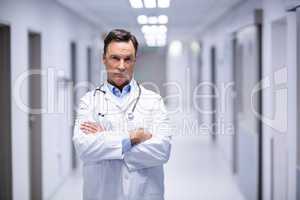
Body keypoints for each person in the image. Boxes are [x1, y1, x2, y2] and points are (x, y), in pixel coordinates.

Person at [73, 29, 172, 200]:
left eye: (128, 59)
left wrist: (105, 142)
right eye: (115, 58)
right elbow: (84, 148)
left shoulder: (154, 100)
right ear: (104, 59)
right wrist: (133, 138)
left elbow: (162, 150)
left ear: (135, 60)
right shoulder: (89, 101)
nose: (121, 66)